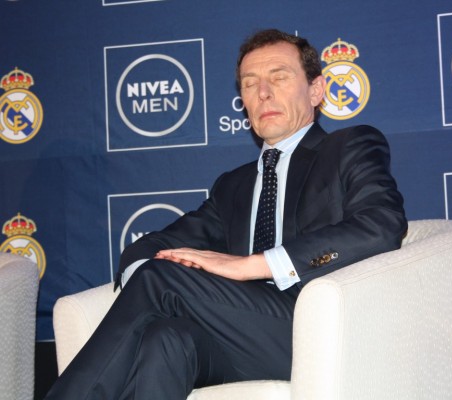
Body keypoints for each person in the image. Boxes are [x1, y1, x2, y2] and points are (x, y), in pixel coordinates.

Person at [45, 29, 407, 399]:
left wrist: (256, 265)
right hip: (242, 335)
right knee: (165, 338)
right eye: (250, 84)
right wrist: (141, 277)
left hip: (319, 325)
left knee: (159, 279)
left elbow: (381, 225)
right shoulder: (233, 186)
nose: (263, 93)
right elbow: (156, 245)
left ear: (316, 90)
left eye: (279, 77)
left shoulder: (349, 147)